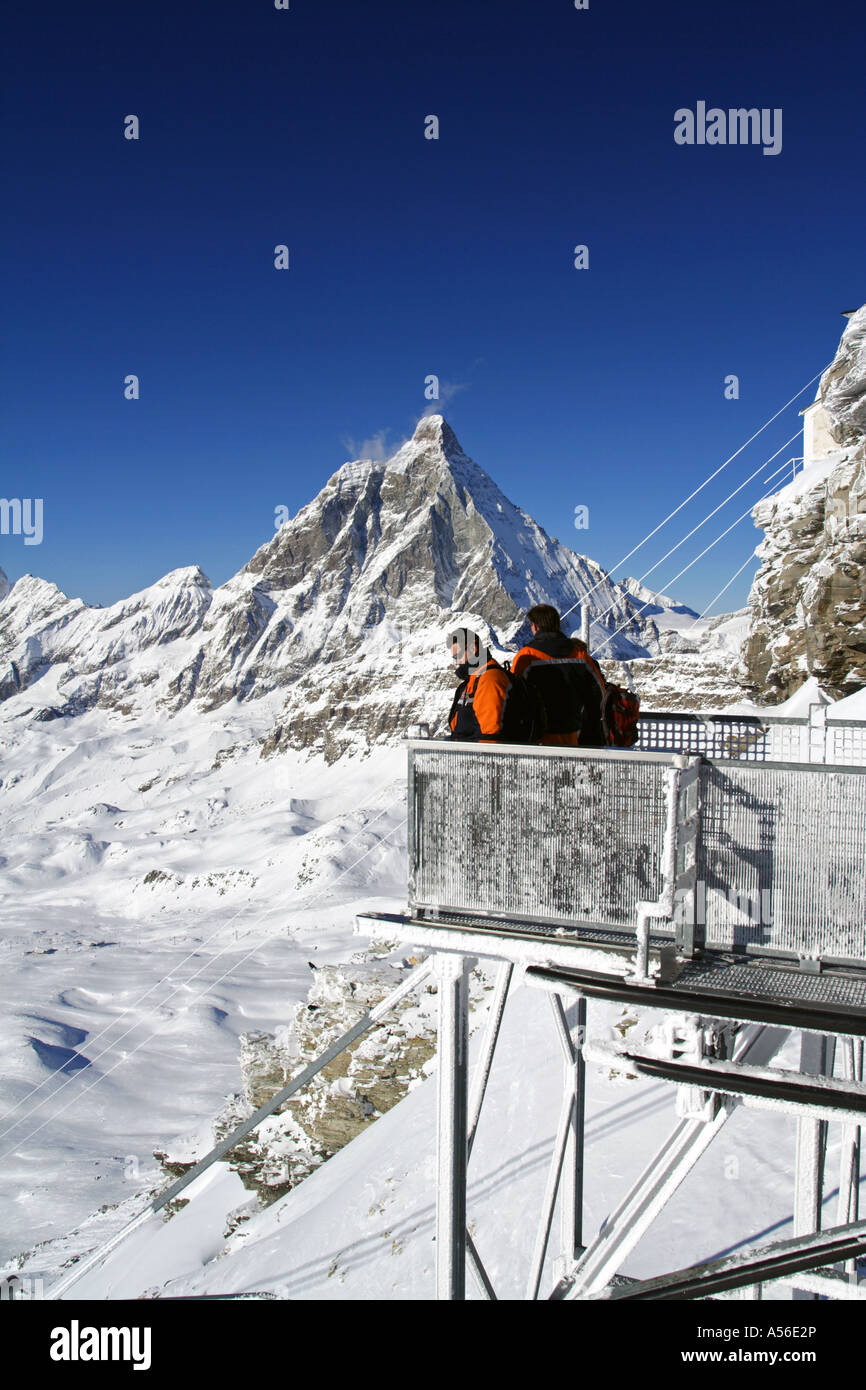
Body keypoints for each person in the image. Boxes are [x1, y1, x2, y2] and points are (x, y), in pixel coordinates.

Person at [511, 604, 607, 747]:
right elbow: (599, 694)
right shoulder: (580, 655)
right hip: (573, 737)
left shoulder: (526, 656)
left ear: (535, 626)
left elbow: (513, 695)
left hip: (535, 738)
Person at [447, 628, 512, 743]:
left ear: (473, 649)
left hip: (480, 758)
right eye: (454, 658)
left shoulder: (489, 679)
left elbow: (489, 737)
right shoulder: (473, 679)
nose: (457, 662)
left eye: (458, 656)